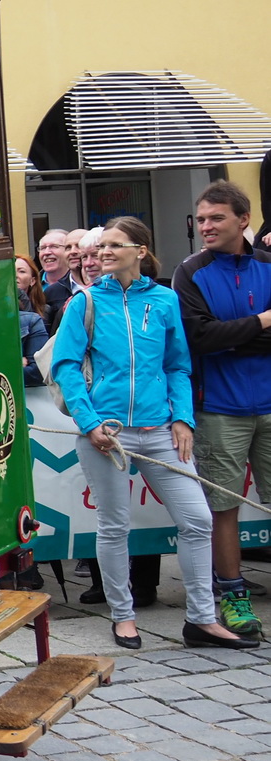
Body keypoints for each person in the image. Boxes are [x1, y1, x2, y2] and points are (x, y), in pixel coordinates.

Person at [50, 216, 257, 652]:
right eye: (100, 247)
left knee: (198, 521)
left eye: (113, 245)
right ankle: (123, 617)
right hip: (107, 434)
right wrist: (90, 424)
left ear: (140, 251)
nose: (102, 253)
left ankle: (201, 619)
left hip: (161, 430)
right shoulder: (84, 301)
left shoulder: (163, 300)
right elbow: (66, 367)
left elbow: (177, 365)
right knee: (114, 527)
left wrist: (182, 418)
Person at [173, 180, 271, 628]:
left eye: (217, 218)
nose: (206, 226)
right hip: (218, 409)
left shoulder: (269, 265)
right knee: (223, 508)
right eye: (202, 219)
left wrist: (234, 335)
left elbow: (220, 335)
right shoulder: (190, 272)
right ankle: (233, 598)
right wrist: (261, 324)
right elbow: (200, 337)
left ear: (243, 219)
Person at [15, 255, 49, 389]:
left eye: (21, 271)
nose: (15, 275)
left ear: (33, 280)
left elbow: (40, 370)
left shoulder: (38, 317)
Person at [37, 228, 75, 329]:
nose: (47, 252)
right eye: (43, 248)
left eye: (54, 246)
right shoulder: (30, 284)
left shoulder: (79, 285)